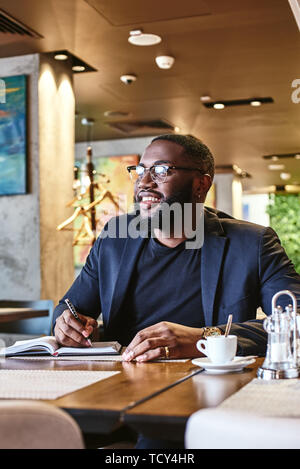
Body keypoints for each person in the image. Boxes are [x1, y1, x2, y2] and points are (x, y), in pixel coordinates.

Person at [53, 134, 300, 448]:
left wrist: (205, 338)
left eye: (161, 170)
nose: (144, 181)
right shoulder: (114, 238)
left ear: (200, 185)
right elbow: (68, 308)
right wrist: (65, 323)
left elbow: (296, 322)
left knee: (155, 442)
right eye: (140, 170)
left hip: (198, 393)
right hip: (113, 390)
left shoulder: (251, 243)